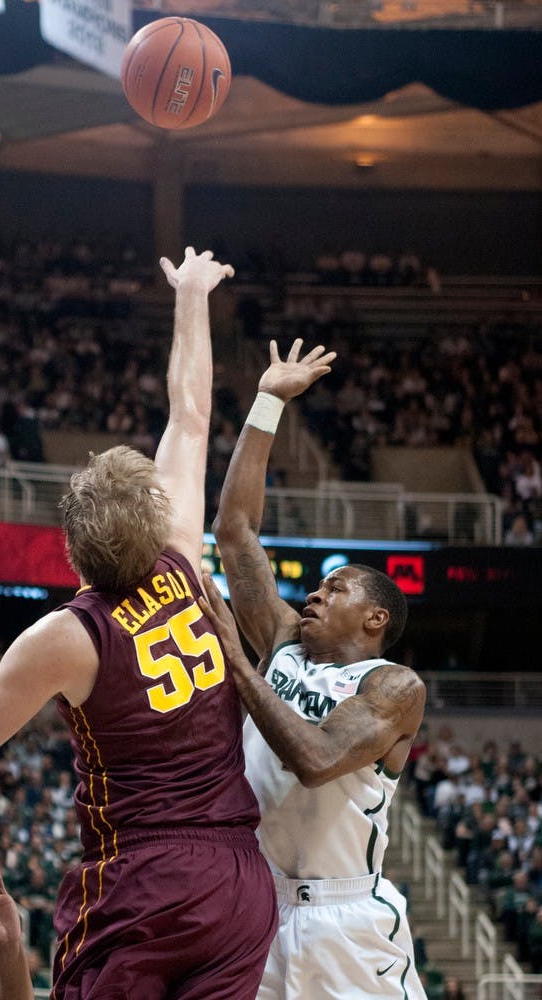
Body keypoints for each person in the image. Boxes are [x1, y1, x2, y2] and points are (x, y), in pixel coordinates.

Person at [0, 248, 277, 1000]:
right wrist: (190, 293)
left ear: (69, 548)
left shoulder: (68, 636)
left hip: (145, 884)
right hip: (240, 882)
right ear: (153, 528)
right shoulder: (183, 560)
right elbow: (190, 417)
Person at [202, 337, 427, 999]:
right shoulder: (283, 638)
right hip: (256, 904)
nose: (313, 594)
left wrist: (240, 669)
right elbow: (235, 530)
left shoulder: (392, 687)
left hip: (346, 918)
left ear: (375, 618)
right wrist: (268, 404)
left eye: (336, 589)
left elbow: (316, 756)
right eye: (316, 588)